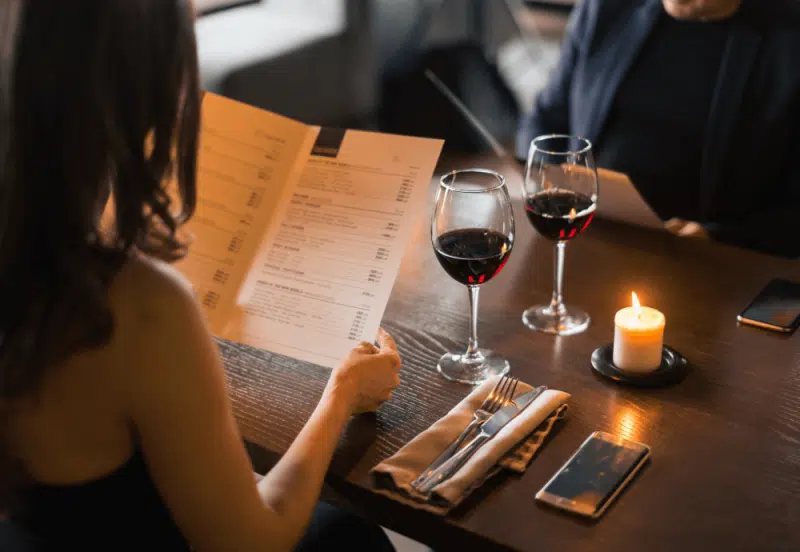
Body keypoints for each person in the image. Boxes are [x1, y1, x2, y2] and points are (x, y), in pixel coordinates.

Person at [0, 1, 401, 550]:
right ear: (156, 80)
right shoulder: (137, 304)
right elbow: (252, 541)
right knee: (352, 538)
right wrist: (343, 393)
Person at [516, 0, 800, 257]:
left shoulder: (789, 41)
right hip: (584, 237)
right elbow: (544, 120)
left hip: (708, 265)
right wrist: (547, 186)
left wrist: (716, 236)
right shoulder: (605, 8)